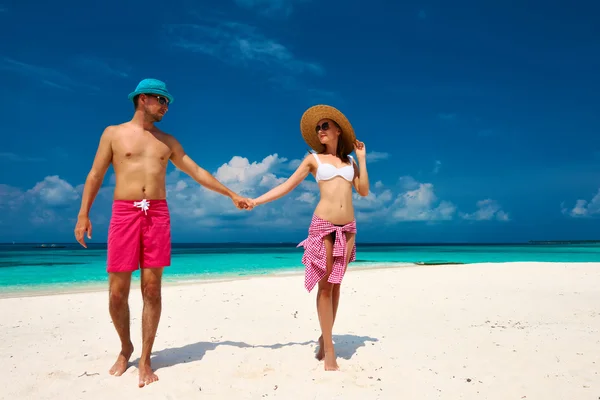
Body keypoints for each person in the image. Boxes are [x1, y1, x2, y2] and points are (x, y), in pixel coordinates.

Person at [73, 78, 253, 388]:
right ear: (143, 99)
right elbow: (95, 174)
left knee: (152, 289)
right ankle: (125, 347)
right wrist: (83, 214)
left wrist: (231, 194)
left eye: (167, 102)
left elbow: (196, 171)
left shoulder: (167, 142)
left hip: (156, 214)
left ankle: (144, 357)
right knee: (117, 292)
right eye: (161, 100)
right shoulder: (113, 134)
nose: (166, 107)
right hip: (124, 213)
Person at [250, 104, 369, 371]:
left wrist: (361, 158)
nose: (320, 131)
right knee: (325, 287)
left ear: (338, 129)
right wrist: (255, 201)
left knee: (336, 286)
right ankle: (329, 348)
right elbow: (286, 185)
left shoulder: (349, 161)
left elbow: (363, 191)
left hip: (348, 227)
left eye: (325, 126)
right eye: (317, 128)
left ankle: (325, 336)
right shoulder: (313, 159)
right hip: (323, 225)